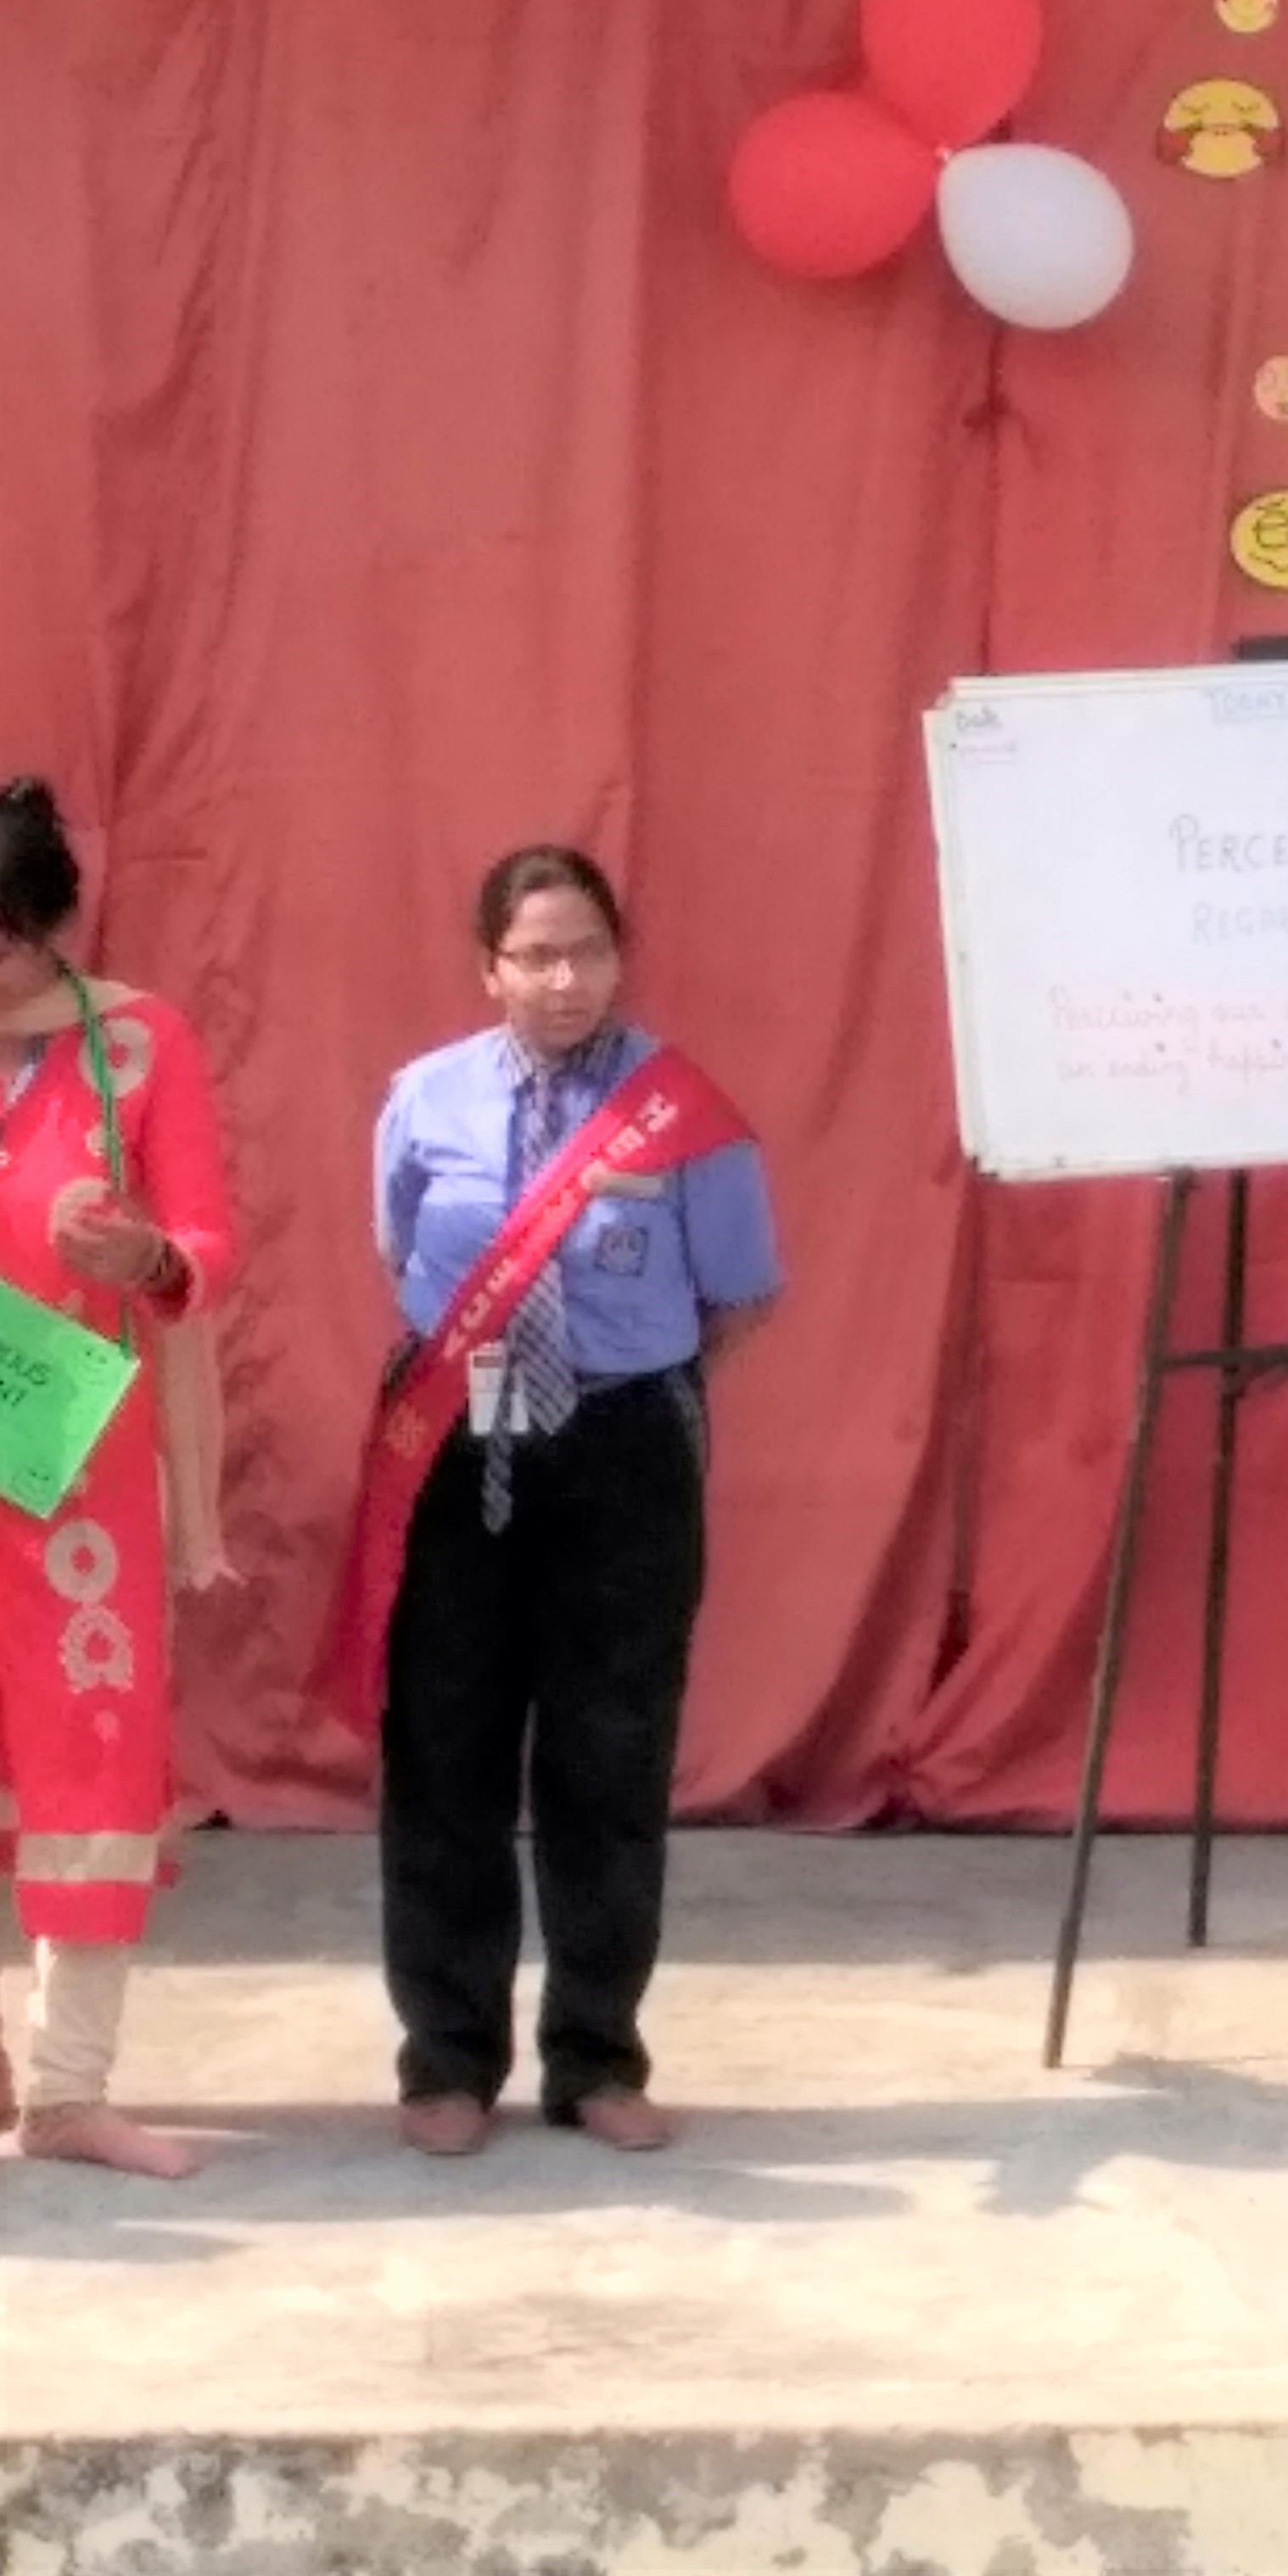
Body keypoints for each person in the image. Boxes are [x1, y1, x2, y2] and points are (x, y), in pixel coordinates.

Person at [329, 845, 780, 2158]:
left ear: (619, 957)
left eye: (587, 951)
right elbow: (401, 1250)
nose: (565, 979)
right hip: (458, 1433)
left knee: (610, 1755)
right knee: (445, 1750)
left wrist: (613, 1384)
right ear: (489, 968)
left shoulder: (681, 1112)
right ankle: (446, 2058)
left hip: (623, 1443)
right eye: (535, 956)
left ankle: (596, 2058)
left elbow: (738, 1296)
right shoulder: (425, 1099)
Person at [0, 774, 238, 2180]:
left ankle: (68, 2090)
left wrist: (146, 1256)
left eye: (6, 941)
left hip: (75, 1469)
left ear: (53, 929)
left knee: (88, 1754)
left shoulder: (137, 1044)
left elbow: (203, 1238)